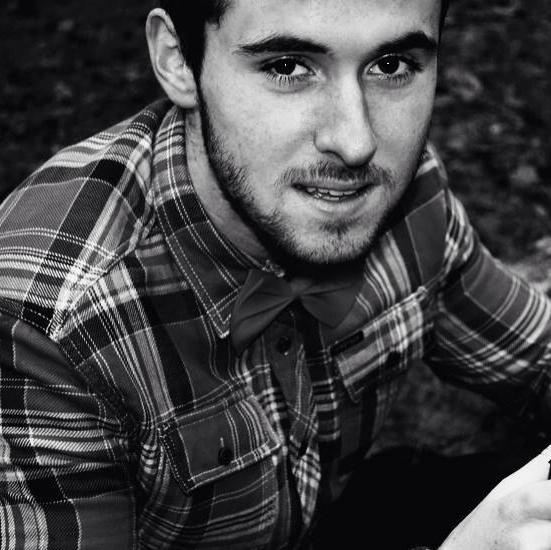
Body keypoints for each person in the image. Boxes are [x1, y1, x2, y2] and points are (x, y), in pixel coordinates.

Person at [0, 0, 550, 548]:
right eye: (287, 66)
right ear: (177, 59)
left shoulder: (402, 195)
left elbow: (536, 358)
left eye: (391, 65)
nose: (356, 143)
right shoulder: (48, 319)